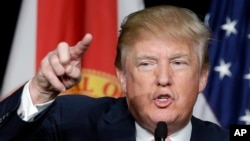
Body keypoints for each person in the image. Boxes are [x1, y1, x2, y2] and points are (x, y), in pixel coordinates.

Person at [0, 5, 229, 141]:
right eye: (146, 64)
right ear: (123, 77)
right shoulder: (70, 122)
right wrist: (38, 92)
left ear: (202, 77)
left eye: (178, 63)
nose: (163, 78)